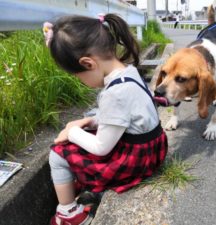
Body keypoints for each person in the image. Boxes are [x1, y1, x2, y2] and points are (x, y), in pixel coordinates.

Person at [43, 14, 168, 225]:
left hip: (134, 162)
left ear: (88, 63)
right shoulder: (130, 72)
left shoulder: (115, 93)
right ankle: (83, 188)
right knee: (87, 123)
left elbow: (101, 147)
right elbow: (123, 118)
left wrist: (71, 132)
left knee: (58, 155)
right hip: (153, 151)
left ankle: (68, 213)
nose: (81, 81)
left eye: (78, 76)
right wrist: (88, 123)